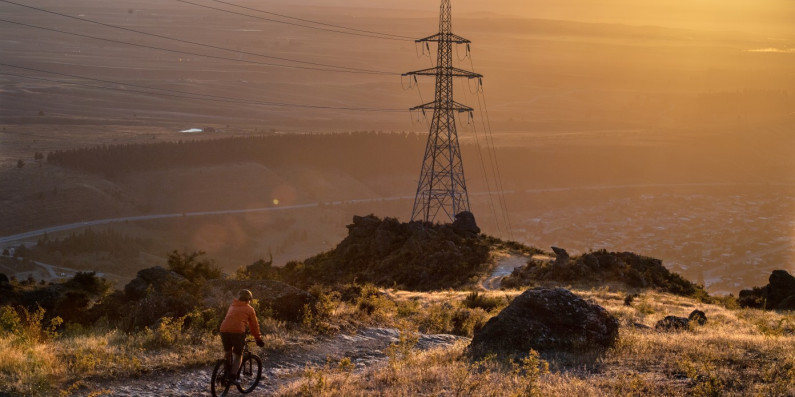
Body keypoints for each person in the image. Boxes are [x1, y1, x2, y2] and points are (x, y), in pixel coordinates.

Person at [219, 289, 265, 385]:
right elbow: (254, 326)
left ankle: (225, 374)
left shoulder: (232, 305)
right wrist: (258, 339)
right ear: (249, 299)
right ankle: (232, 377)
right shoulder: (249, 309)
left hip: (223, 329)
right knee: (238, 355)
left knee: (228, 352)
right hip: (237, 332)